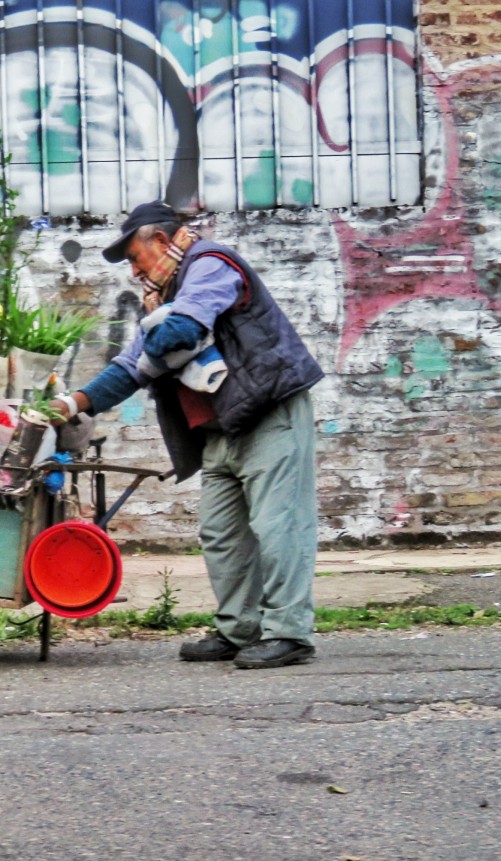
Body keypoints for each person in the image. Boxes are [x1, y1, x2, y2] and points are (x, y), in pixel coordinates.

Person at [52, 201, 324, 669]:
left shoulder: (210, 265)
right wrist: (69, 405)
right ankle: (240, 629)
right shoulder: (163, 299)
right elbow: (129, 369)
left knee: (280, 528)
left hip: (267, 415)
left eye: (135, 257)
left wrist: (150, 348)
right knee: (221, 533)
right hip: (221, 429)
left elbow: (180, 330)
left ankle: (290, 633)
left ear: (161, 241)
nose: (134, 270)